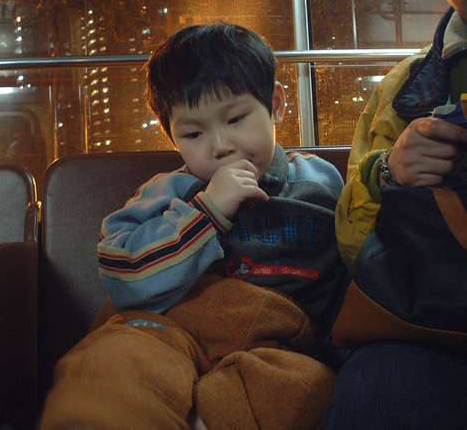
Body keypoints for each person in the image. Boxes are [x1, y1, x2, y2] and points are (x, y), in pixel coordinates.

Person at [39, 23, 348, 430]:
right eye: (194, 133)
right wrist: (207, 212)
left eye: (235, 118)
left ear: (275, 105)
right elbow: (121, 275)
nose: (220, 145)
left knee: (305, 387)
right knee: (115, 361)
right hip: (173, 330)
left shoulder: (319, 182)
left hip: (277, 344)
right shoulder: (164, 193)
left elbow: (349, 272)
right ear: (172, 136)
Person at [327, 0, 467, 428]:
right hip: (434, 325)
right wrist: (388, 171)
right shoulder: (402, 89)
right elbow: (351, 245)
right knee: (377, 387)